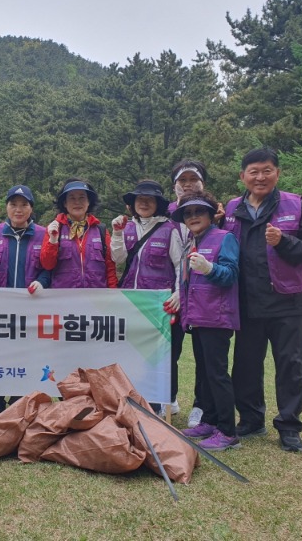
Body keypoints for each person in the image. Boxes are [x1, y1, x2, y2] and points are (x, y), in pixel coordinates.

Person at [224, 148, 302, 452]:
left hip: (288, 301)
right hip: (246, 301)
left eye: (267, 170)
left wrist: (284, 242)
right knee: (245, 366)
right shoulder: (231, 208)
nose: (260, 177)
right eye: (253, 171)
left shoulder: (295, 204)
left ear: (277, 173)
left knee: (290, 365)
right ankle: (252, 420)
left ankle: (289, 426)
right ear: (243, 176)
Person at [0, 185, 51, 420]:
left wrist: (41, 282)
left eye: (24, 205)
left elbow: (48, 268)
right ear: (5, 208)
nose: (18, 210)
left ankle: (19, 400)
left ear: (31, 208)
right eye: (13, 204)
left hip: (30, 308)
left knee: (24, 354)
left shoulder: (42, 233)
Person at [173, 191, 241, 451]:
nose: (193, 217)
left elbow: (231, 274)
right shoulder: (192, 242)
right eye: (188, 213)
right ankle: (210, 421)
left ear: (211, 215)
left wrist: (209, 268)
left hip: (217, 318)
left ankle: (227, 431)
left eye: (199, 211)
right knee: (205, 374)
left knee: (217, 374)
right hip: (198, 318)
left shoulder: (225, 238)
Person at [110, 180, 182, 418]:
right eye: (139, 199)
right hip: (130, 303)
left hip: (158, 305)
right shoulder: (126, 228)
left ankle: (160, 403)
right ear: (132, 204)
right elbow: (118, 258)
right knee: (131, 353)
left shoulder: (170, 229)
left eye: (149, 199)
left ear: (158, 204)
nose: (144, 203)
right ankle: (132, 400)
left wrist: (179, 293)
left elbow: (180, 264)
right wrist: (118, 234)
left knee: (159, 355)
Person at [168, 160, 211, 428]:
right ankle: (167, 398)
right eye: (182, 181)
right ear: (174, 186)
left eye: (192, 180)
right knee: (168, 352)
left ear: (202, 183)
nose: (187, 185)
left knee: (205, 356)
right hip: (174, 296)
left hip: (205, 298)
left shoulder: (214, 214)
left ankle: (201, 405)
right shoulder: (167, 216)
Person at [40, 178, 118, 289]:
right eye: (72, 198)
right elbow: (47, 265)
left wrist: (113, 294)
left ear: (88, 202)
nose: (77, 202)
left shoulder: (100, 230)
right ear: (65, 203)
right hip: (64, 299)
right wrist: (53, 241)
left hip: (96, 298)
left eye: (82, 197)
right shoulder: (55, 228)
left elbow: (110, 267)